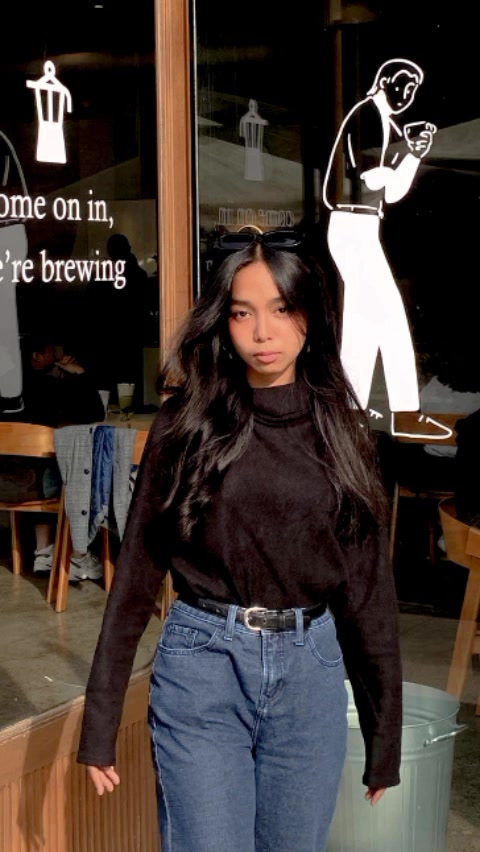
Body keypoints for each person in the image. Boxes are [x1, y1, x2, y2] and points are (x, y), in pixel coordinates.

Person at [77, 236, 402, 852]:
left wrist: (385, 735)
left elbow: (368, 591)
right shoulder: (186, 424)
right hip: (203, 668)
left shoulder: (343, 428)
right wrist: (101, 721)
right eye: (242, 312)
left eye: (281, 308)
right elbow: (137, 575)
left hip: (310, 674)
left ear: (310, 314)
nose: (262, 332)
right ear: (222, 322)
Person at [323, 58, 451, 441]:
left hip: (362, 225)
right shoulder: (365, 116)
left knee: (363, 326)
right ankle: (404, 412)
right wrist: (402, 156)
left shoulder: (387, 125)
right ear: (383, 82)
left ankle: (351, 412)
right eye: (403, 85)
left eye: (412, 89)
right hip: (352, 224)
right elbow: (368, 177)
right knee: (389, 317)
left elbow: (391, 192)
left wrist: (413, 154)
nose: (407, 95)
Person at [0, 336, 105, 578]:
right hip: (33, 484)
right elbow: (95, 412)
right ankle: (79, 555)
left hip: (5, 481)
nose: (58, 355)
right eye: (52, 351)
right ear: (36, 356)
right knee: (75, 465)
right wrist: (80, 375)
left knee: (45, 461)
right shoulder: (46, 387)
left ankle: (44, 551)